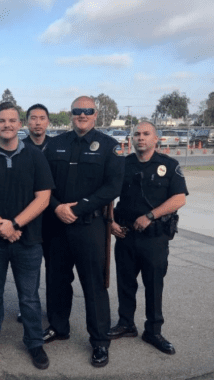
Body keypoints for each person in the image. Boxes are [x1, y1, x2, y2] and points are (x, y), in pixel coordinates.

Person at [0, 102, 54, 370]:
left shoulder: (35, 156)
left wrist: (15, 224)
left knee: (29, 297)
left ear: (20, 124)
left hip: (28, 241)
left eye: (12, 120)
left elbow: (43, 198)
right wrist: (0, 225)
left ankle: (34, 343)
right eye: (2, 121)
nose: (7, 125)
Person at [43, 96, 124, 367]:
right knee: (56, 280)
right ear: (71, 114)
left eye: (87, 111)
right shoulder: (55, 144)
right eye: (77, 111)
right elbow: (43, 183)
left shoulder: (109, 147)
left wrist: (77, 209)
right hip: (57, 225)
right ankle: (58, 327)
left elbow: (113, 187)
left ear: (95, 114)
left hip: (89, 227)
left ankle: (100, 341)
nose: (82, 115)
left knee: (94, 285)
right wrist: (56, 208)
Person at [107, 122, 187, 355]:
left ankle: (153, 330)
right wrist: (110, 221)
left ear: (156, 139)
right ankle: (126, 324)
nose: (140, 138)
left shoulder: (169, 165)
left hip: (154, 238)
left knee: (153, 285)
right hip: (125, 235)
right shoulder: (123, 165)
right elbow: (109, 196)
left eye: (146, 134)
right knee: (125, 283)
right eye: (137, 134)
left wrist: (150, 216)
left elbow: (179, 198)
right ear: (132, 139)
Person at [17, 103, 52, 323]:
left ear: (48, 121)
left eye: (41, 118)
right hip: (29, 217)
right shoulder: (19, 147)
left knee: (55, 267)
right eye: (33, 118)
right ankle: (27, 306)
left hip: (54, 215)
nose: (37, 122)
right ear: (26, 122)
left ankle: (54, 307)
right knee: (30, 268)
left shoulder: (58, 146)